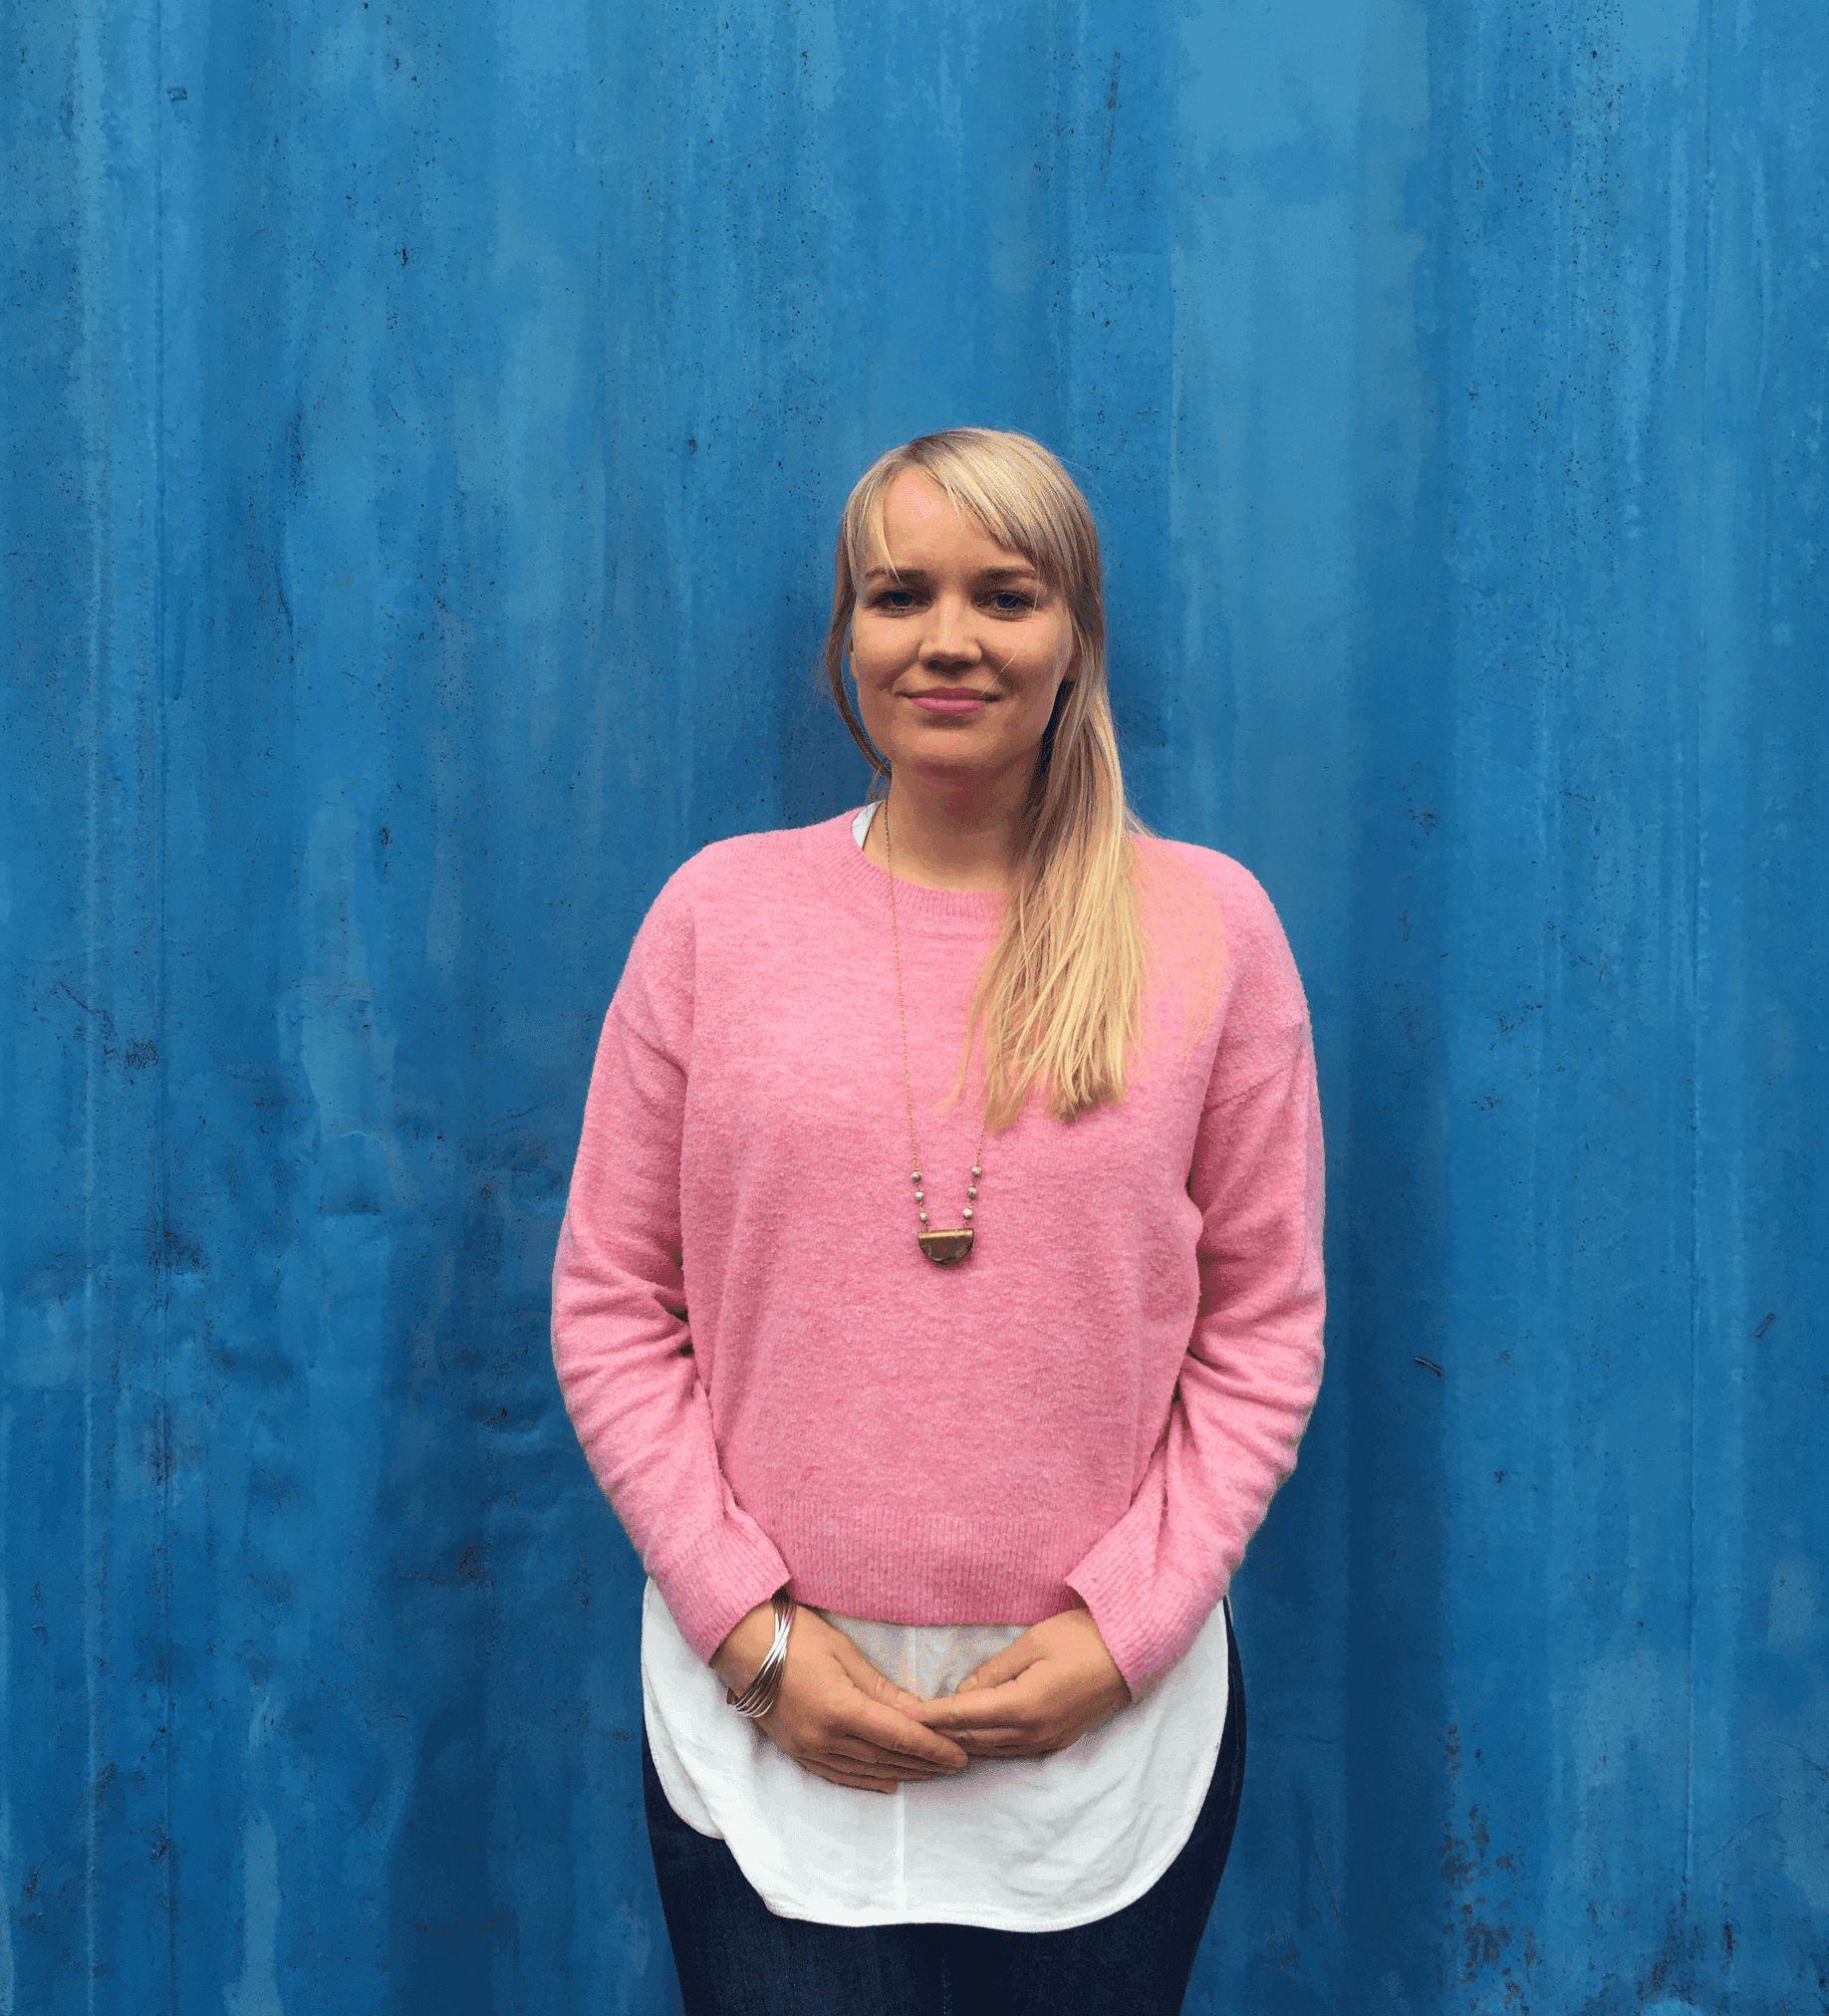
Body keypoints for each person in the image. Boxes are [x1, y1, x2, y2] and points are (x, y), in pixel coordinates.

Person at [551, 427, 1325, 2015]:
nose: (950, 639)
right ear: (847, 635)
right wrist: (750, 1636)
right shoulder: (716, 920)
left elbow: (1262, 1329)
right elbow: (614, 1304)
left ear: (1076, 635)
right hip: (768, 1724)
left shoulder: (1210, 930)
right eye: (901, 594)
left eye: (1006, 596)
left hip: (1106, 1739)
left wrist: (1129, 1631)